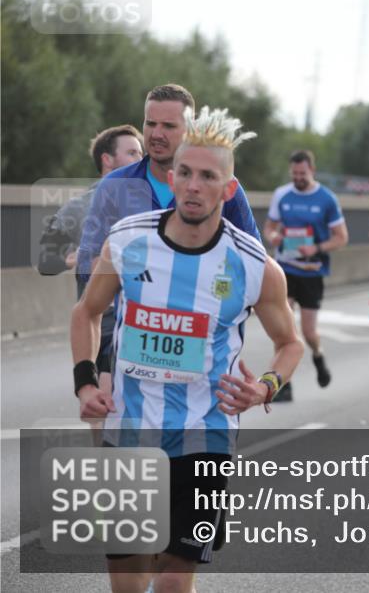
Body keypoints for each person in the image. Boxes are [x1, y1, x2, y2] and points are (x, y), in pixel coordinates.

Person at [71, 106, 304, 593]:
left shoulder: (253, 264)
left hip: (205, 437)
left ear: (228, 189)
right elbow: (87, 312)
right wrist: (86, 381)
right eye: (185, 173)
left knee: (175, 580)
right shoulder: (128, 241)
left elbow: (289, 343)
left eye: (207, 176)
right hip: (129, 432)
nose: (194, 185)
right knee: (129, 582)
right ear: (171, 178)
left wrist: (265, 387)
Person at [75, 85, 261, 396]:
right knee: (106, 425)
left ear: (189, 130)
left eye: (169, 126)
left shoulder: (222, 189)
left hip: (202, 356)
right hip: (127, 344)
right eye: (150, 123)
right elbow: (87, 264)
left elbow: (253, 264)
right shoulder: (114, 186)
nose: (156, 134)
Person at [264, 150, 348, 399]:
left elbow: (342, 237)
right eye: (295, 174)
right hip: (285, 270)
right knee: (283, 329)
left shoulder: (326, 199)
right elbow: (269, 227)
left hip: (312, 273)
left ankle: (318, 356)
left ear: (312, 170)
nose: (298, 178)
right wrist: (274, 237)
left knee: (308, 332)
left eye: (303, 173)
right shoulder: (282, 194)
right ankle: (283, 382)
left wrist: (317, 248)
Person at [38, 125, 144, 279]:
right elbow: (44, 263)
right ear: (107, 159)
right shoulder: (78, 206)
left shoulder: (150, 203)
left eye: (141, 154)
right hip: (94, 301)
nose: (140, 160)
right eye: (132, 153)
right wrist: (71, 259)